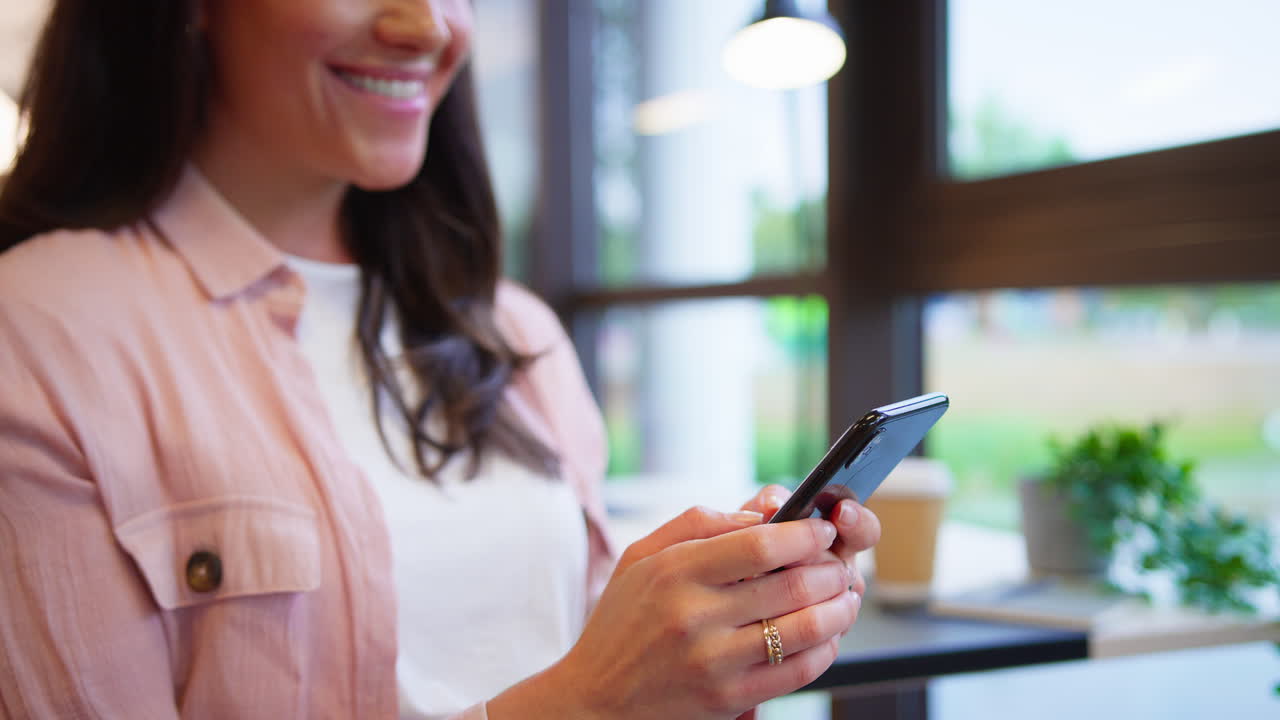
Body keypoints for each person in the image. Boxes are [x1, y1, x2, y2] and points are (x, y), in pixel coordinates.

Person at [0, 1, 879, 718]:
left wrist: (708, 638)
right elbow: (593, 692)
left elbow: (597, 655)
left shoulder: (515, 330)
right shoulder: (40, 334)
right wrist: (590, 703)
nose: (427, 24)